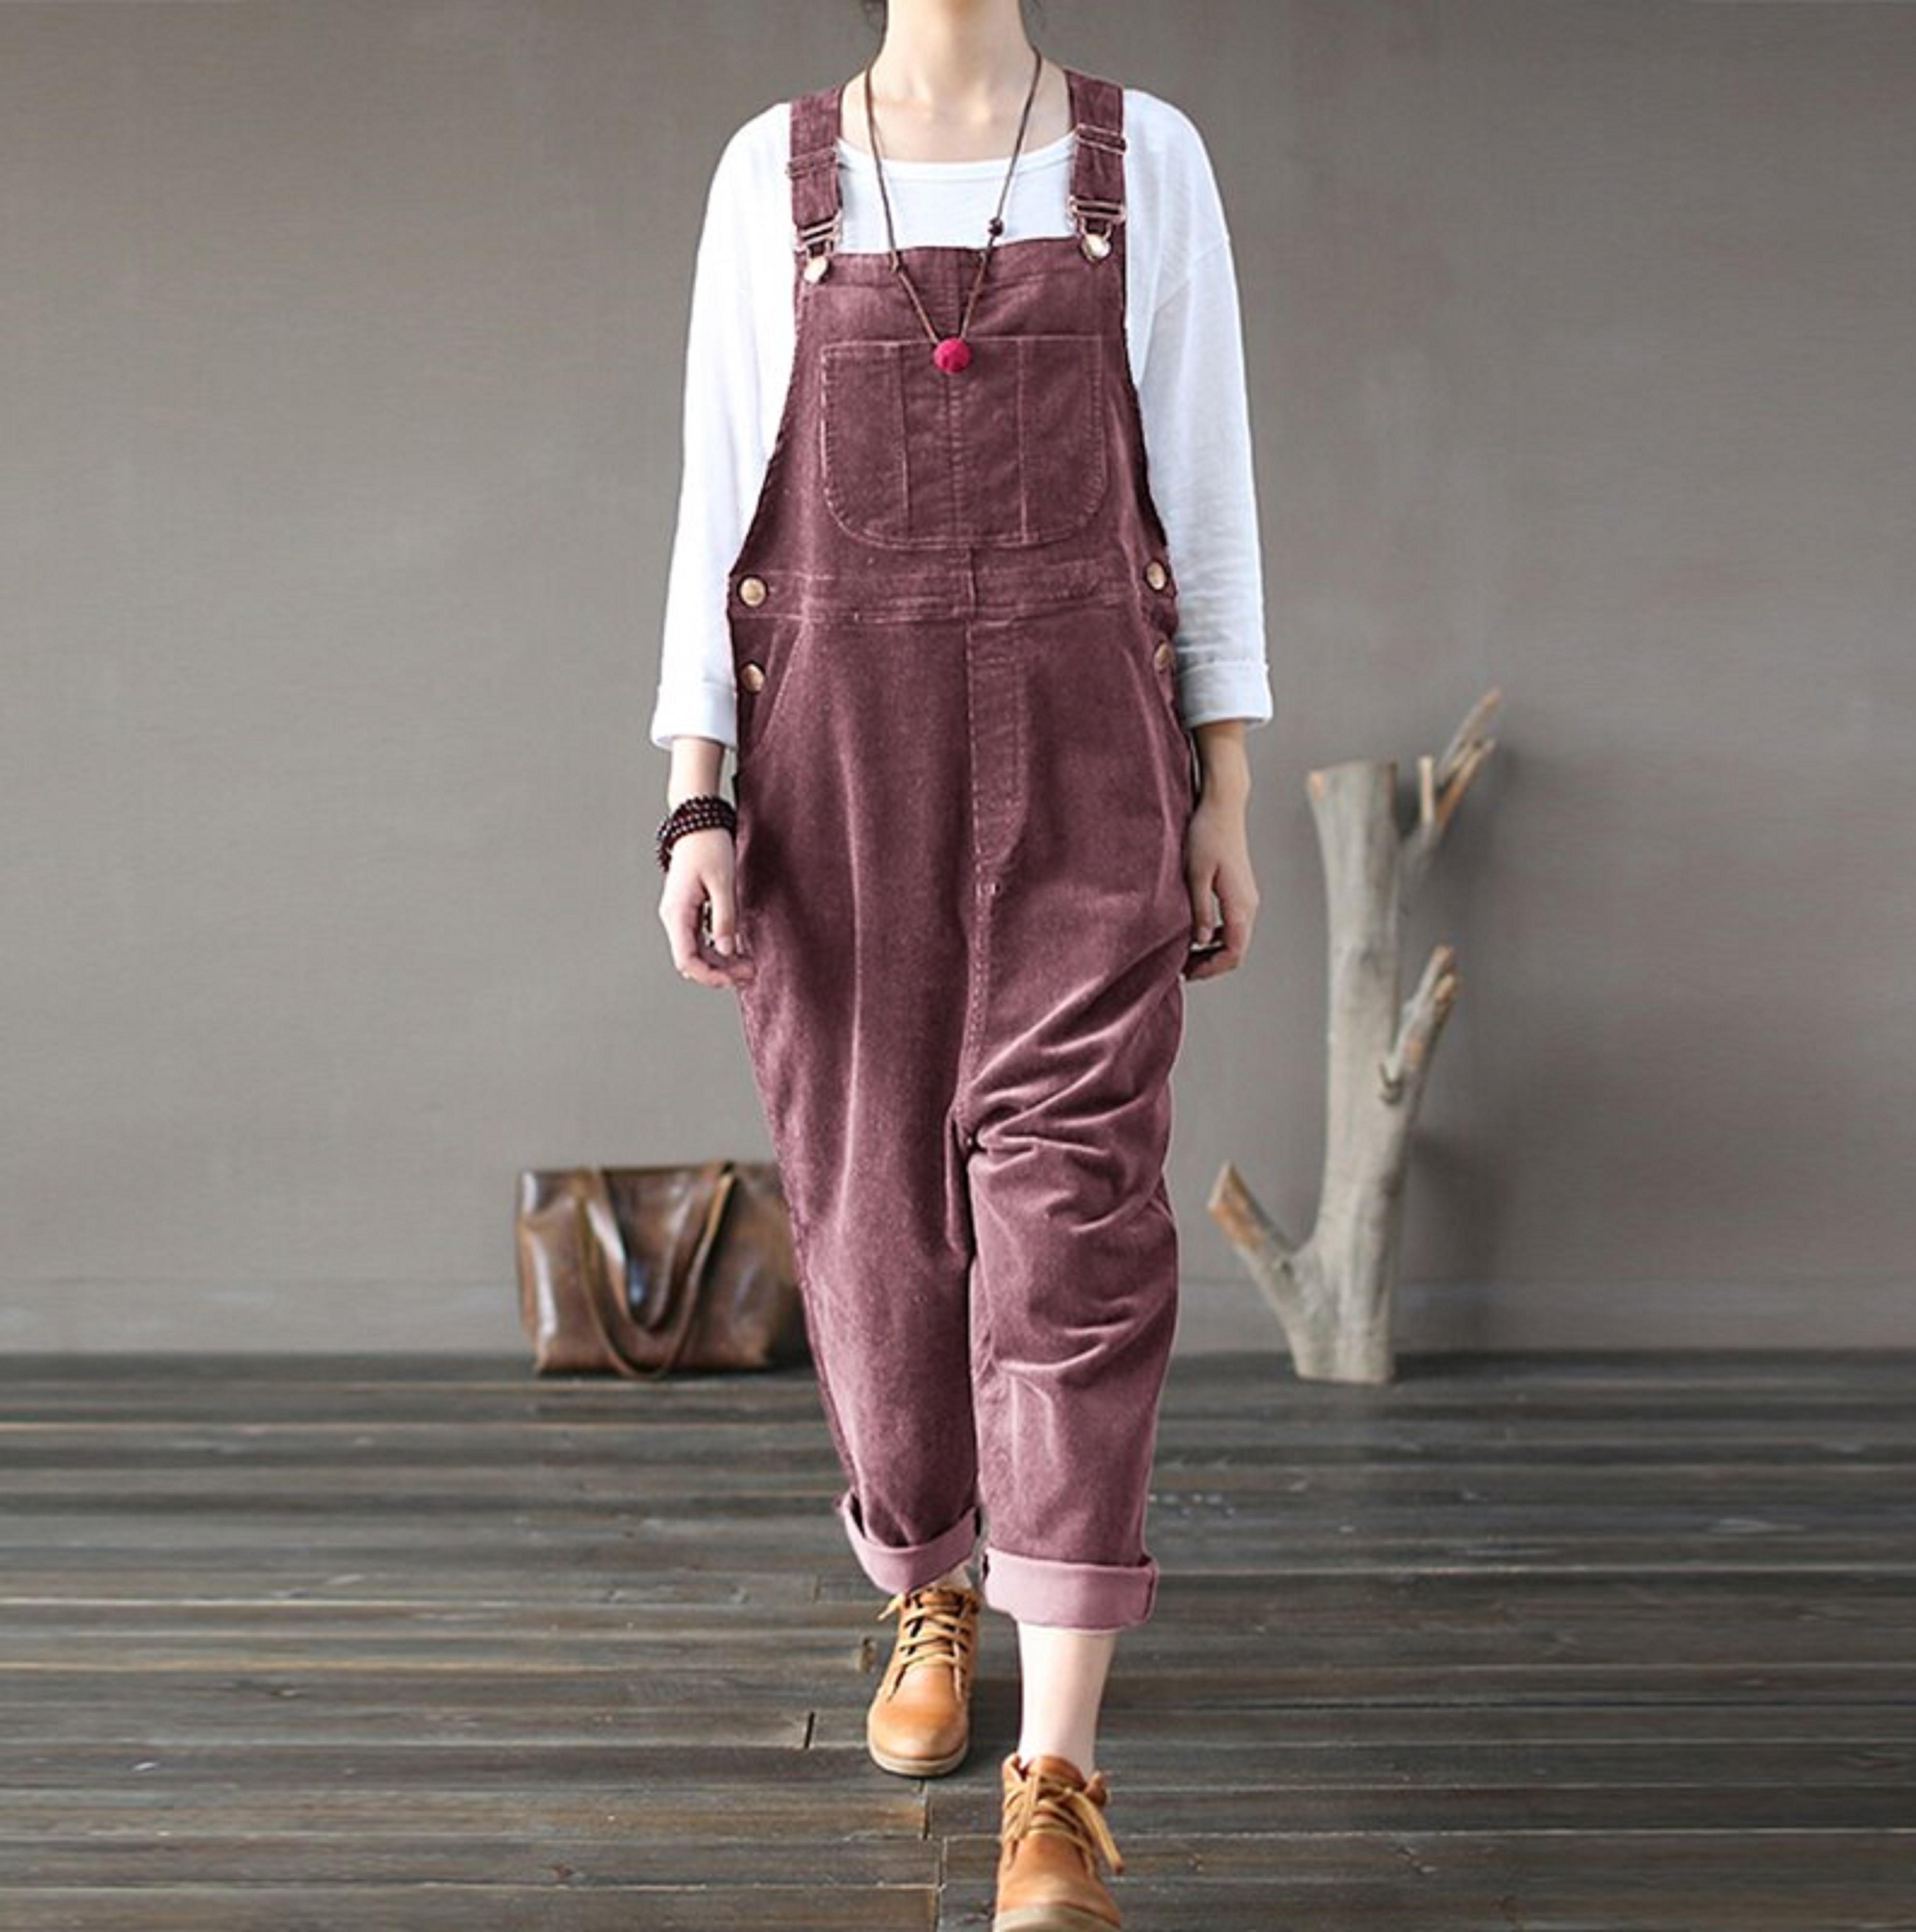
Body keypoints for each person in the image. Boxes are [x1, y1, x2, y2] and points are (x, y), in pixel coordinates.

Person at [650, 5, 1269, 1924]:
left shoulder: (1142, 162)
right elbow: (716, 501)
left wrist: (1225, 784)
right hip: (837, 781)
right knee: (870, 1235)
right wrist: (695, 795)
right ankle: (926, 1575)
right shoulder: (773, 174)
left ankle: (1056, 1778)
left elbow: (1207, 493)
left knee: (1081, 1241)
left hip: (1092, 766)